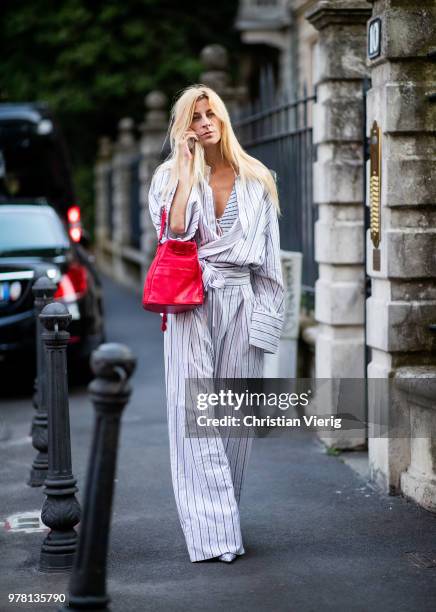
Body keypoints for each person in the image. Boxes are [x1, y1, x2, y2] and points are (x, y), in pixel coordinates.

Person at [148, 84, 285, 563]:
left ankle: (221, 517)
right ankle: (215, 537)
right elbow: (174, 235)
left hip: (240, 302)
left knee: (232, 425)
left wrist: (266, 327)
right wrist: (187, 175)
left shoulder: (256, 178)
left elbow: (270, 263)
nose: (205, 122)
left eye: (211, 114)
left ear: (223, 118)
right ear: (182, 127)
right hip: (190, 302)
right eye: (194, 116)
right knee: (196, 423)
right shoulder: (167, 177)